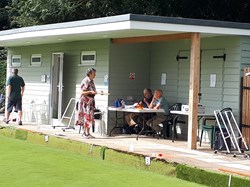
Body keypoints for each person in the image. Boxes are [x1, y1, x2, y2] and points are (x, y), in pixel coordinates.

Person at [76, 68, 97, 138]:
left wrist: (95, 92)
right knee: (85, 117)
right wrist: (90, 92)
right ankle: (84, 133)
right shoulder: (85, 81)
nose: (95, 75)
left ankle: (88, 133)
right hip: (85, 102)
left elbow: (93, 90)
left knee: (90, 117)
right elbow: (82, 92)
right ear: (90, 74)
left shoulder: (92, 81)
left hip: (90, 102)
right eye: (94, 74)